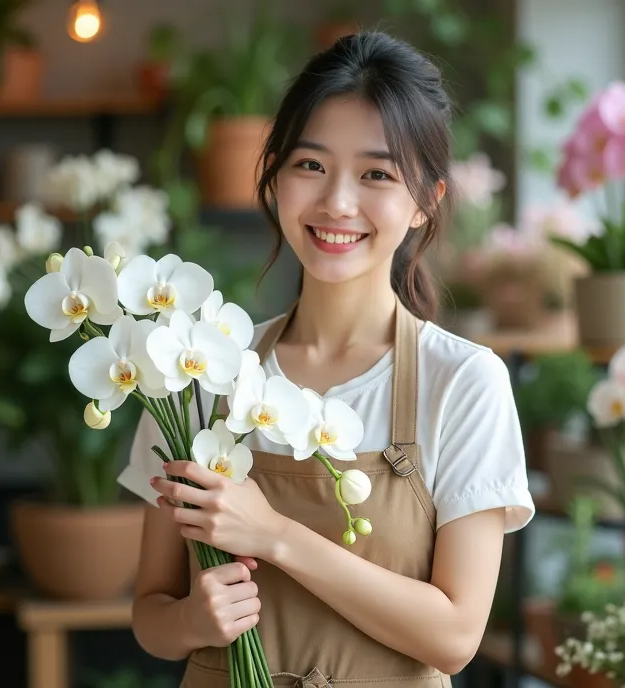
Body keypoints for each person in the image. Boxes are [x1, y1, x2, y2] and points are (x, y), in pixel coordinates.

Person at [130, 31, 534, 687]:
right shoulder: (193, 376)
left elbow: (456, 637)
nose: (336, 203)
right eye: (311, 165)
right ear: (274, 174)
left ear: (425, 202)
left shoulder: (460, 381)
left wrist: (275, 535)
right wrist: (192, 625)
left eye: (376, 174)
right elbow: (150, 613)